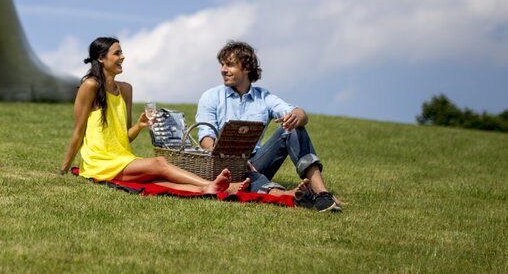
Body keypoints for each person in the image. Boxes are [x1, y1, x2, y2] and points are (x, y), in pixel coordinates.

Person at [60, 37, 248, 195]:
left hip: (122, 158)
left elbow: (125, 137)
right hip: (99, 163)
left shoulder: (125, 89)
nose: (122, 57)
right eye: (117, 53)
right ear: (101, 58)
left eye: (121, 52)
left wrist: (140, 125)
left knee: (157, 178)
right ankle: (211, 184)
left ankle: (208, 188)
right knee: (160, 163)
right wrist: (64, 169)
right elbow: (78, 132)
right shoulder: (90, 86)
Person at [196, 40, 342, 212]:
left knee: (293, 127)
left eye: (230, 65)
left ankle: (322, 194)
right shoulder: (211, 97)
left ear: (246, 68)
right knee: (248, 176)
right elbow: (205, 137)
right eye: (222, 64)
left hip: (256, 162)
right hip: (224, 165)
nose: (223, 69)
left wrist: (296, 117)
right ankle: (290, 195)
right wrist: (229, 159)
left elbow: (297, 112)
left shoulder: (263, 97)